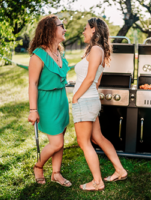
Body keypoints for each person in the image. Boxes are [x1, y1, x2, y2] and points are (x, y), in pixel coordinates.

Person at [72, 18, 127, 191]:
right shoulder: (97, 50)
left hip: (85, 101)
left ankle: (97, 182)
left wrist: (76, 97)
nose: (83, 31)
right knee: (98, 138)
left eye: (85, 28)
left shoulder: (96, 50)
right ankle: (120, 170)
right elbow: (96, 81)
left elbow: (90, 79)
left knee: (84, 142)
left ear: (94, 29)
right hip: (90, 100)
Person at [28, 15, 72, 187]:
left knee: (60, 138)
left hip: (61, 99)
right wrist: (33, 110)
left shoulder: (58, 52)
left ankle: (56, 173)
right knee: (57, 142)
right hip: (47, 102)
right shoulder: (38, 55)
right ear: (51, 29)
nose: (65, 29)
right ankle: (38, 166)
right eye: (62, 26)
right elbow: (32, 83)